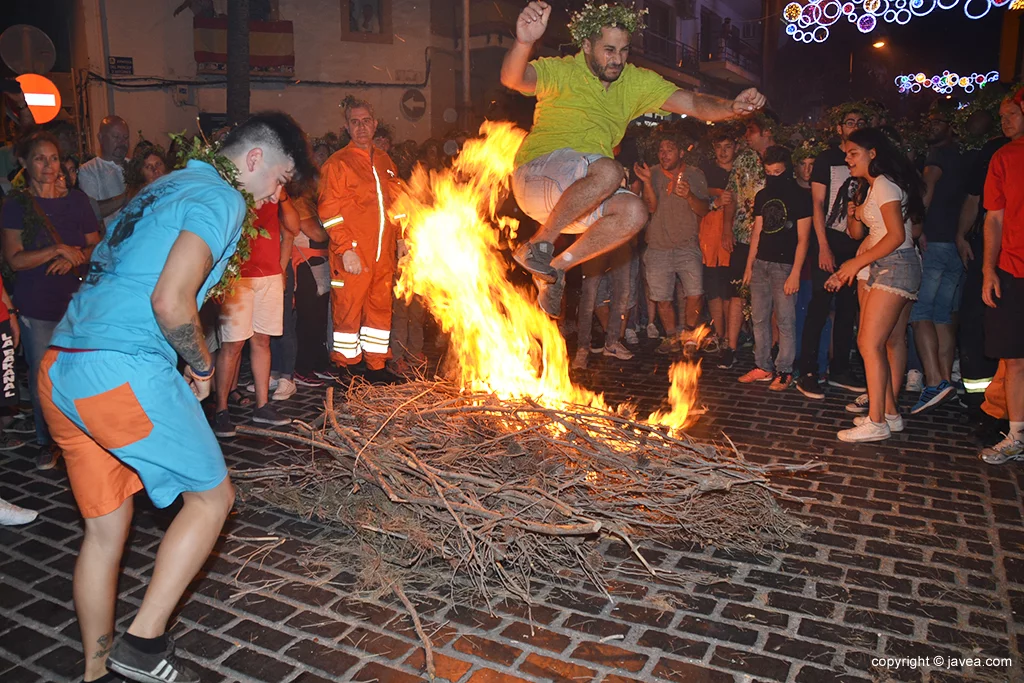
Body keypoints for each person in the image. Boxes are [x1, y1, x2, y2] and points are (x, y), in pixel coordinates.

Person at [38, 111, 312, 683]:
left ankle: (98, 674)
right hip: (121, 368)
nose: (276, 193)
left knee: (106, 530)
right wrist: (202, 364)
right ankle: (142, 647)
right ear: (256, 160)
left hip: (63, 365)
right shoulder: (223, 197)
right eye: (281, 179)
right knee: (212, 499)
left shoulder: (167, 183)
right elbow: (171, 300)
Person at [500, 1, 765, 317]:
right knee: (609, 170)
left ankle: (557, 269)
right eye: (609, 50)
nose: (617, 60)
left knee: (635, 212)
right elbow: (514, 79)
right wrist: (524, 42)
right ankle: (538, 245)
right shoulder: (563, 70)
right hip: (536, 175)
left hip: (574, 196)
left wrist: (731, 107)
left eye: (624, 51)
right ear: (587, 44)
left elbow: (692, 101)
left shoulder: (636, 82)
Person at [1, 130, 101, 470]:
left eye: (54, 158)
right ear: (25, 163)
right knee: (44, 376)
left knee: (80, 372)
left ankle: (84, 434)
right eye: (40, 158)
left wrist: (76, 256)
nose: (48, 165)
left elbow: (95, 246)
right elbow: (14, 258)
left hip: (77, 303)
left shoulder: (77, 201)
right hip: (36, 306)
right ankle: (48, 441)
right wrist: (56, 250)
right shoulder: (16, 205)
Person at [827, 128, 924, 443]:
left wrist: (855, 263)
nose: (847, 158)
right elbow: (861, 232)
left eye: (853, 153)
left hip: (894, 266)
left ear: (873, 153)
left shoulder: (883, 184)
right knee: (879, 343)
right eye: (846, 153)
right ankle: (890, 415)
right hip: (887, 266)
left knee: (868, 343)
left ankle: (876, 421)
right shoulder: (874, 186)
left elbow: (896, 236)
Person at [318, 99, 403, 383]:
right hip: (354, 253)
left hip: (383, 253)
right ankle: (348, 369)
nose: (361, 126)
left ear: (375, 123)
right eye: (355, 122)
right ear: (347, 127)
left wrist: (402, 239)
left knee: (380, 310)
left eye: (366, 120)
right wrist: (345, 249)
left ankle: (376, 367)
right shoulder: (337, 164)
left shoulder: (383, 160)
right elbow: (328, 211)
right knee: (348, 311)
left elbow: (397, 203)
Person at [796, 105, 869, 400]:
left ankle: (839, 369)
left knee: (848, 309)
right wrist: (823, 246)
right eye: (849, 122)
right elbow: (817, 205)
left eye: (860, 122)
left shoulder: (867, 157)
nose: (854, 126)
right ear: (839, 128)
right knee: (819, 306)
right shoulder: (827, 159)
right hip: (829, 241)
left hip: (856, 243)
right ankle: (808, 371)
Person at [212, 200, 296, 437]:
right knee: (233, 344)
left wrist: (283, 197)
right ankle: (221, 410)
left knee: (262, 341)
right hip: (237, 275)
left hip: (268, 274)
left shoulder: (273, 188)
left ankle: (262, 406)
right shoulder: (235, 185)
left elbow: (294, 227)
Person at [909, 103, 968, 414]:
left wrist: (917, 227)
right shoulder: (963, 156)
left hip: (934, 244)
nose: (931, 126)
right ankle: (946, 382)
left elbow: (927, 190)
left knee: (920, 314)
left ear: (951, 126)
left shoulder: (937, 157)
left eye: (938, 122)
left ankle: (934, 384)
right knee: (944, 317)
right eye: (929, 121)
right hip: (955, 246)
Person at [739, 145, 812, 390]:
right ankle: (763, 366)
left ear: (787, 169)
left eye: (778, 171)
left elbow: (803, 239)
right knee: (759, 318)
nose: (773, 176)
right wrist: (750, 266)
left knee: (785, 320)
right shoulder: (762, 195)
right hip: (761, 264)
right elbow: (757, 233)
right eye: (769, 172)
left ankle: (785, 370)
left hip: (784, 265)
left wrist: (795, 273)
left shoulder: (801, 197)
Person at [979, 88, 1024, 464]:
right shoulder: (1003, 157)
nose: (1004, 122)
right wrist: (988, 269)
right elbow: (993, 217)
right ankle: (1017, 435)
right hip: (1012, 268)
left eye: (1012, 114)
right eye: (1003, 115)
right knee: (1014, 358)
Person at [635, 135, 709, 354]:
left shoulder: (695, 175)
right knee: (662, 298)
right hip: (657, 246)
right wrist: (647, 182)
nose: (664, 154)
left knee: (695, 293)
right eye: (661, 150)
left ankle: (689, 335)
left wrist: (689, 196)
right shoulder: (653, 173)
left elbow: (704, 209)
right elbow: (650, 207)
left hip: (687, 245)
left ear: (681, 153)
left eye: (669, 149)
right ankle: (671, 337)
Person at [717, 115, 773, 368]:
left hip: (773, 238)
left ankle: (771, 350)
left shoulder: (782, 159)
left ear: (766, 132)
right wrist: (727, 229)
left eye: (751, 131)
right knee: (737, 292)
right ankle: (730, 347)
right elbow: (732, 196)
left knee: (771, 293)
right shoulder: (744, 160)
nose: (746, 136)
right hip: (743, 236)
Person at [700, 132, 737, 353]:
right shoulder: (706, 171)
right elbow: (699, 193)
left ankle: (730, 335)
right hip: (709, 236)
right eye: (719, 147)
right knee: (713, 287)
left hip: (733, 235)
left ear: (736, 147)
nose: (723, 152)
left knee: (729, 288)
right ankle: (719, 333)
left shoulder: (740, 170)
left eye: (728, 146)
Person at [78, 116, 130, 226]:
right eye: (116, 137)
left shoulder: (134, 165)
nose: (122, 142)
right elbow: (92, 212)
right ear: (100, 138)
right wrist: (127, 196)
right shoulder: (88, 170)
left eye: (125, 137)